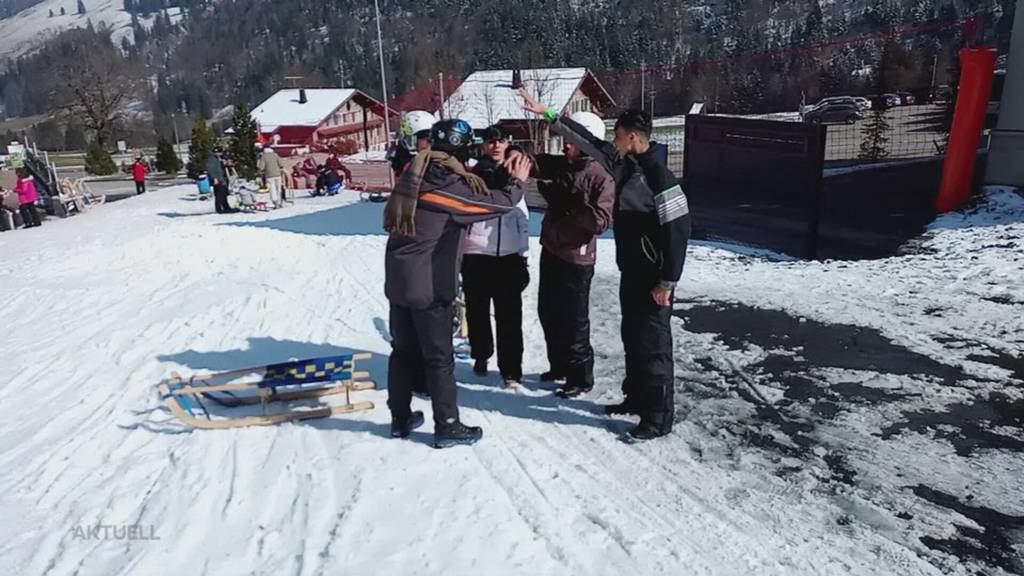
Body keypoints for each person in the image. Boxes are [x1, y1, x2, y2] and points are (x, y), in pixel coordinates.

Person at [520, 88, 691, 441]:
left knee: (654, 346)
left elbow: (678, 233)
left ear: (632, 138)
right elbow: (586, 140)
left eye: (617, 136)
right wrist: (548, 113)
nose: (612, 141)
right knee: (633, 336)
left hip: (654, 277)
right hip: (632, 269)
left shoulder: (660, 178)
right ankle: (636, 398)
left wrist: (668, 281)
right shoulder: (624, 164)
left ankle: (658, 417)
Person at [384, 118, 532, 449]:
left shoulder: (416, 171)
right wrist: (518, 182)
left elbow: (474, 187)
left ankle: (400, 418)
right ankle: (447, 424)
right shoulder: (443, 184)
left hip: (399, 280)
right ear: (461, 149)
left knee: (403, 352)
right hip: (428, 285)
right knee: (439, 359)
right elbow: (493, 205)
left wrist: (498, 173)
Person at [532, 112, 615, 398]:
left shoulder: (601, 175)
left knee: (574, 319)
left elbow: (602, 220)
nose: (565, 146)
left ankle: (580, 377)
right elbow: (535, 165)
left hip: (576, 258)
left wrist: (570, 206)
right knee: (549, 311)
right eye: (564, 140)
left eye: (570, 141)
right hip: (552, 249)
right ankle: (559, 367)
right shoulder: (564, 166)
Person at [460, 125, 530, 386]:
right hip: (477, 253)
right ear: (483, 145)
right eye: (490, 142)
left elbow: (522, 218)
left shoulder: (517, 169)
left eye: (500, 141)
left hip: (509, 255)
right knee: (477, 312)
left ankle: (511, 369)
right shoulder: (476, 172)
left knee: (510, 316)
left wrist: (523, 255)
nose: (496, 146)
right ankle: (481, 354)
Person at [387, 110, 434, 178]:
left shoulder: (440, 158)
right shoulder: (403, 156)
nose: (428, 144)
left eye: (431, 139)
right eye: (425, 138)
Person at [206, 148, 236, 214]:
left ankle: (226, 207)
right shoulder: (212, 159)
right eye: (220, 153)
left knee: (224, 193)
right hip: (218, 178)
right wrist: (214, 178)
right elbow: (211, 169)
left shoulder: (217, 159)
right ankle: (219, 209)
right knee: (220, 194)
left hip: (222, 177)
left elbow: (220, 167)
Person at [257, 144, 285, 208]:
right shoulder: (275, 155)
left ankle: (275, 203)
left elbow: (261, 167)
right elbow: (281, 164)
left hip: (269, 175)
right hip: (278, 174)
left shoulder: (264, 156)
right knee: (278, 189)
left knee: (272, 189)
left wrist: (260, 172)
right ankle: (280, 202)